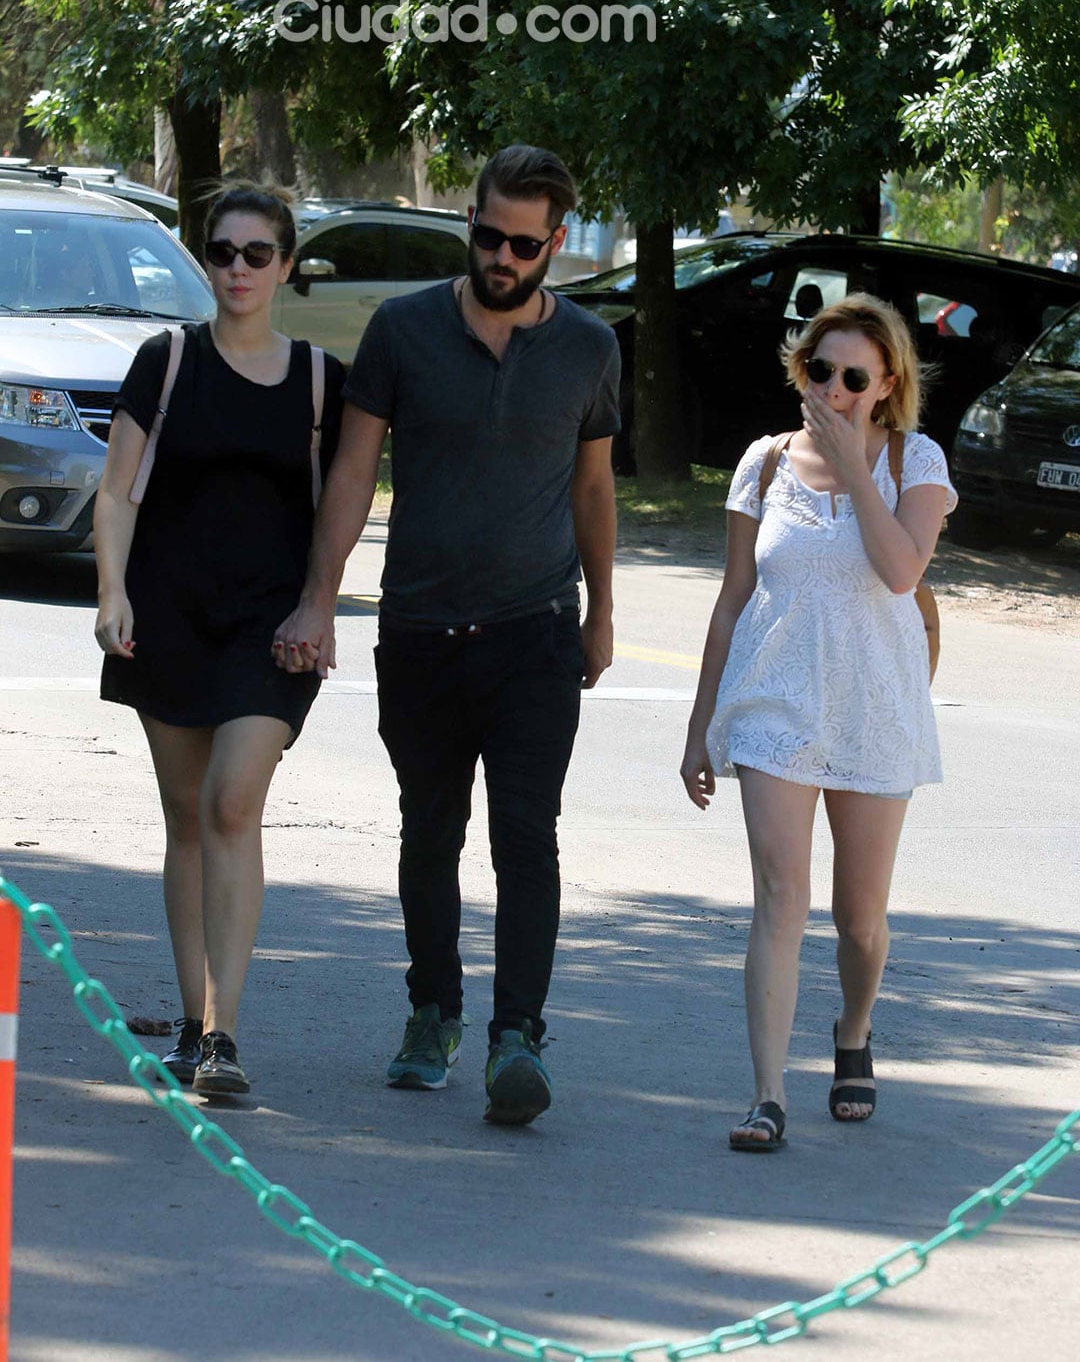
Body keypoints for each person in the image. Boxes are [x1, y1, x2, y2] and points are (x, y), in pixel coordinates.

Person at [275, 144, 620, 1125]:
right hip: (421, 629)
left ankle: (520, 1036)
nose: (500, 257)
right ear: (468, 222)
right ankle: (435, 1011)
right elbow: (351, 473)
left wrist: (602, 612)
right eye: (486, 234)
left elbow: (593, 489)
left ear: (557, 243)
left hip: (537, 632)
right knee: (431, 831)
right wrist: (317, 597)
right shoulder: (403, 330)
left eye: (522, 243)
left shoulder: (589, 347)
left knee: (526, 833)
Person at [680, 294, 956, 1152]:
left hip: (875, 707)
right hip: (775, 704)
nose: (832, 389)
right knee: (780, 900)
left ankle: (853, 1030)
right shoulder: (762, 465)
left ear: (887, 386)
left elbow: (903, 571)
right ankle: (768, 1096)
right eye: (819, 370)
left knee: (859, 918)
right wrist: (700, 728)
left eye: (853, 377)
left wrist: (854, 463)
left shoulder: (917, 461)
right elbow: (732, 602)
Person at [93, 184, 344, 1096]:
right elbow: (117, 492)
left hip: (269, 630)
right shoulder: (164, 363)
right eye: (223, 251)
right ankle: (193, 1020)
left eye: (257, 252)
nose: (238, 268)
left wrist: (320, 607)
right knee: (187, 814)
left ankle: (224, 1033)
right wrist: (111, 592)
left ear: (285, 264)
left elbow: (339, 513)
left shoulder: (321, 380)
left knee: (233, 802)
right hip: (169, 617)